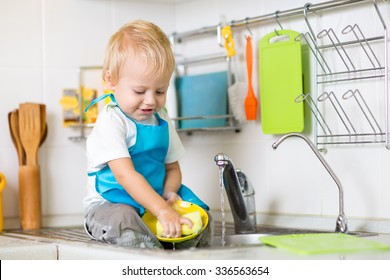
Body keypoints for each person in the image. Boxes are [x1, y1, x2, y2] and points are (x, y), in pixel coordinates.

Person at [83, 20, 213, 249]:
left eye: (160, 91)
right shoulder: (111, 120)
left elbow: (172, 168)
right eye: (140, 91)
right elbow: (125, 176)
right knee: (125, 220)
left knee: (201, 216)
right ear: (111, 80)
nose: (151, 100)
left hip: (153, 202)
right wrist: (161, 210)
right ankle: (150, 254)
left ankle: (185, 251)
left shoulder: (161, 117)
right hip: (110, 206)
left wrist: (169, 195)